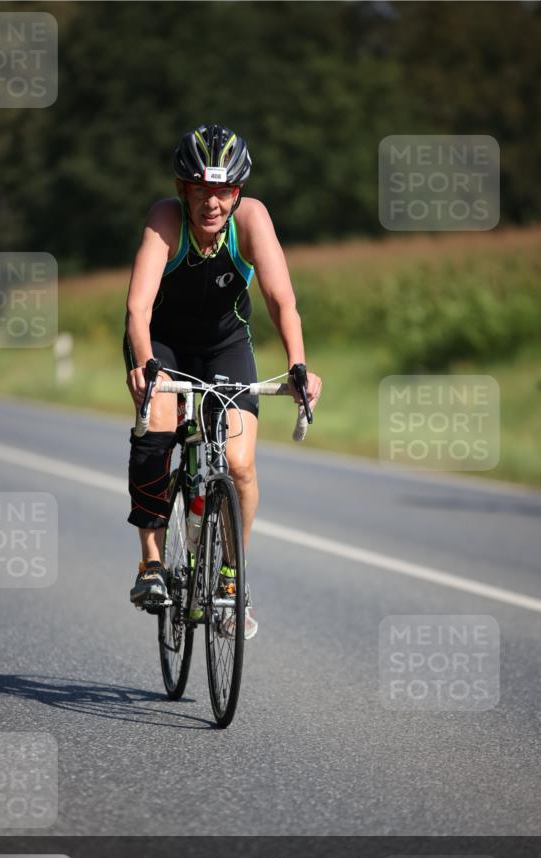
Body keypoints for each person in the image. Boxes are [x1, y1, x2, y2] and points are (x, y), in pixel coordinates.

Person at [123, 123, 322, 638]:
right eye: (200, 190)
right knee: (157, 430)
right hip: (161, 344)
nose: (211, 202)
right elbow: (138, 307)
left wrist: (298, 365)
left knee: (239, 463)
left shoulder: (251, 220)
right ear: (182, 189)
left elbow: (281, 300)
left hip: (224, 346)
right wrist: (146, 366)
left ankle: (232, 580)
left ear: (237, 192)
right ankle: (151, 563)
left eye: (223, 190)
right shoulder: (166, 220)